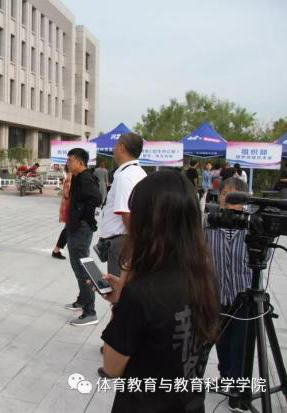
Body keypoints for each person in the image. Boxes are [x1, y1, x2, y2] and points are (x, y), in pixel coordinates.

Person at [97, 170, 220, 413]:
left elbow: (111, 367)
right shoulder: (205, 279)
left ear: (148, 222)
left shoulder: (140, 294)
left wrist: (122, 300)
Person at [205, 177, 252, 412]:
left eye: (235, 196)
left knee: (241, 345)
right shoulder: (209, 224)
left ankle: (239, 391)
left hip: (245, 297)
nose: (228, 200)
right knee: (220, 341)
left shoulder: (254, 227)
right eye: (225, 194)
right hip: (216, 295)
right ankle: (225, 377)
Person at [99, 133, 146, 277]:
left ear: (121, 147)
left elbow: (126, 213)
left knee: (118, 285)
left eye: (115, 145)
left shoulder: (124, 176)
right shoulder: (140, 172)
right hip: (128, 239)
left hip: (121, 242)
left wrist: (135, 242)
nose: (113, 149)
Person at [64, 148, 102, 326]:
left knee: (83, 269)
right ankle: (82, 300)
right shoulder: (78, 177)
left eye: (70, 160)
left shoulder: (86, 178)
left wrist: (81, 216)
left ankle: (90, 312)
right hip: (76, 226)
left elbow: (97, 198)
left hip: (81, 228)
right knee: (78, 266)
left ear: (80, 162)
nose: (68, 163)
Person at [52, 165, 71, 260]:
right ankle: (56, 250)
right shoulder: (70, 178)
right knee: (68, 229)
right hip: (70, 208)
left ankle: (56, 250)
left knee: (67, 229)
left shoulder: (70, 177)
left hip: (69, 208)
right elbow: (67, 194)